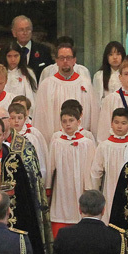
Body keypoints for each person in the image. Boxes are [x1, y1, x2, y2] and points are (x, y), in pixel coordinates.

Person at [45, 101, 97, 236]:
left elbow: (91, 169)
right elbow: (50, 168)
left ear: (78, 122)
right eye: (64, 121)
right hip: (61, 191)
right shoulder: (56, 142)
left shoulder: (87, 143)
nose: (68, 124)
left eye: (71, 120)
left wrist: (89, 190)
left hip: (79, 189)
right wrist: (48, 189)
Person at [36, 42, 94, 137]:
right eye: (62, 58)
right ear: (57, 61)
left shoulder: (85, 84)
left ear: (74, 60)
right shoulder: (46, 85)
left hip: (81, 141)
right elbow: (40, 119)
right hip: (55, 141)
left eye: (69, 57)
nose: (65, 61)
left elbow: (93, 117)